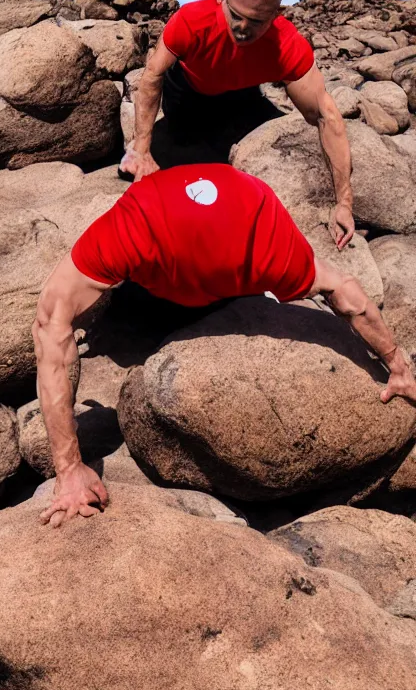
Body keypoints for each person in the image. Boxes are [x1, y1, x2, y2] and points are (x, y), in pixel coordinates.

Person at [33, 164, 416, 528]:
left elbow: (343, 293)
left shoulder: (268, 240)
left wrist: (398, 364)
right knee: (122, 310)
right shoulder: (136, 225)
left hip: (230, 219)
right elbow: (50, 325)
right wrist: (68, 469)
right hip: (173, 242)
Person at [119, 0, 354, 251]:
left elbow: (325, 116)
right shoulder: (192, 20)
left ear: (277, 14)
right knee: (153, 178)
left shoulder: (286, 45)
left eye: (256, 21)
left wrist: (344, 202)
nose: (242, 28)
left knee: (256, 163)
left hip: (240, 95)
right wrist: (141, 147)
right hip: (187, 93)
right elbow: (152, 75)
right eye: (236, 14)